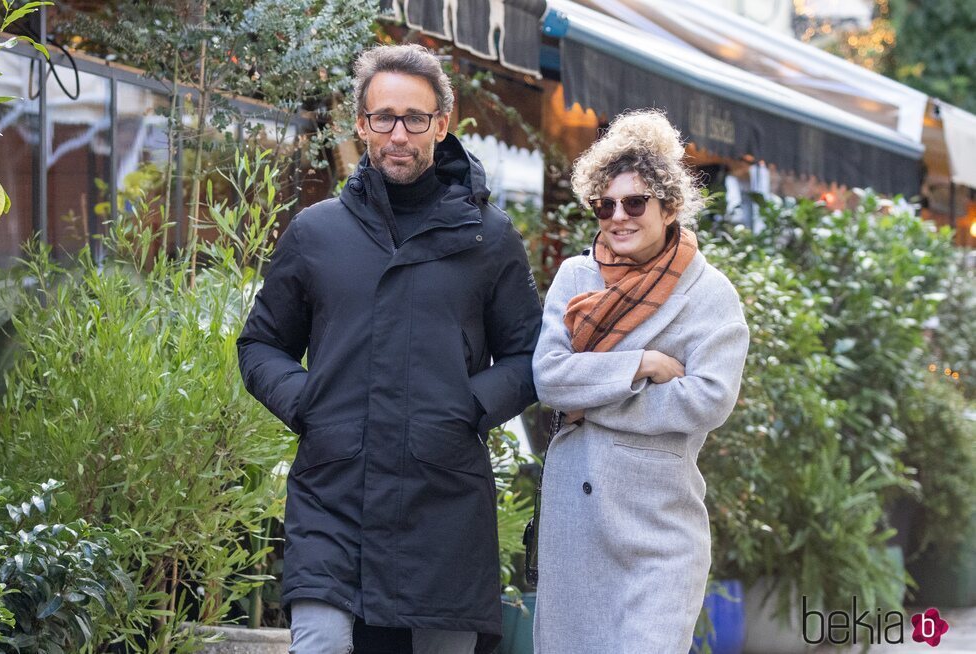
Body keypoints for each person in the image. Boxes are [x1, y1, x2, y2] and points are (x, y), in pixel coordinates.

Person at [237, 43, 542, 654]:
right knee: (320, 643)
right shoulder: (317, 233)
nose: (398, 134)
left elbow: (529, 357)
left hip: (443, 505)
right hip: (333, 495)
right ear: (361, 123)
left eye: (415, 118)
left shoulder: (490, 237)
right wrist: (308, 403)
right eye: (384, 118)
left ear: (443, 124)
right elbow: (262, 343)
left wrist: (466, 407)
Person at [531, 109, 749, 653]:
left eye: (635, 202)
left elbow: (708, 398)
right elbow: (550, 378)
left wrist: (594, 400)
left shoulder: (709, 295)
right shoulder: (576, 277)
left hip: (659, 525)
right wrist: (642, 365)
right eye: (605, 205)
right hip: (577, 521)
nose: (618, 217)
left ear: (670, 205)